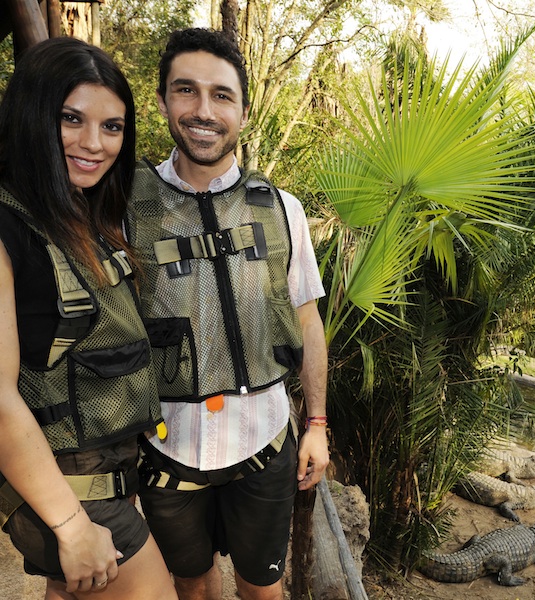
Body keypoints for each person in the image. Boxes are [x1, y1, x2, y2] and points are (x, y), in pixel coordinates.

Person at [127, 28, 329, 600]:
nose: (203, 110)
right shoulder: (125, 209)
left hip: (264, 444)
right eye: (186, 90)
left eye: (221, 95)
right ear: (164, 100)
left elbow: (307, 319)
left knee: (261, 591)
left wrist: (316, 424)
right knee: (190, 586)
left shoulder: (280, 209)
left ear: (242, 109)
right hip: (166, 450)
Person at [0, 37, 176, 599]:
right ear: (32, 116)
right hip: (67, 495)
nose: (93, 144)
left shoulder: (79, 214)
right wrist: (72, 526)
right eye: (71, 119)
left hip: (99, 477)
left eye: (112, 127)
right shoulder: (10, 228)